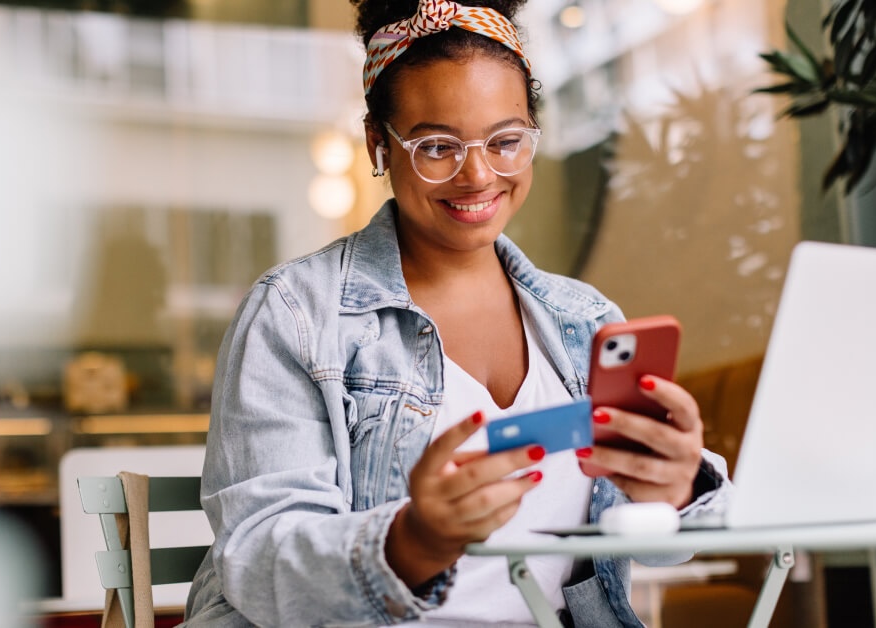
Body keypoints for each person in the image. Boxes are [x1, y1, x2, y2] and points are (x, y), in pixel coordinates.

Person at [180, 1, 731, 625]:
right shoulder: (295, 315)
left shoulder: (585, 322)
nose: (477, 175)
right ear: (378, 144)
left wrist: (677, 492)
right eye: (438, 146)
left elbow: (671, 548)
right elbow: (257, 560)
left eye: (505, 141)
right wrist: (414, 541)